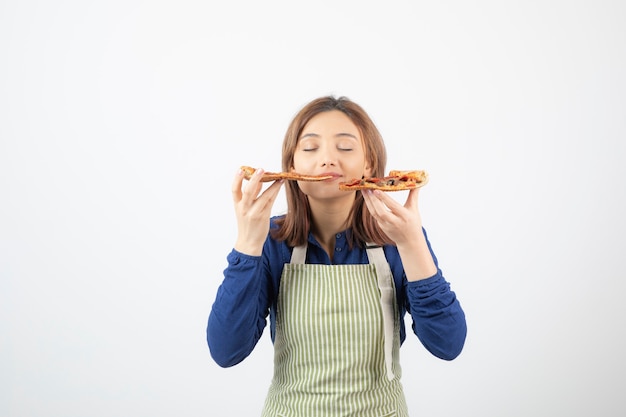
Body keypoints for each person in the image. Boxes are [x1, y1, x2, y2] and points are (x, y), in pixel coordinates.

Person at [207, 96, 467, 417]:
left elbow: (448, 345)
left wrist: (413, 243)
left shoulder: (397, 237)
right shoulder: (271, 241)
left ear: (369, 165)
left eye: (345, 148)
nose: (328, 160)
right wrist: (247, 244)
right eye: (310, 148)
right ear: (292, 167)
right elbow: (226, 351)